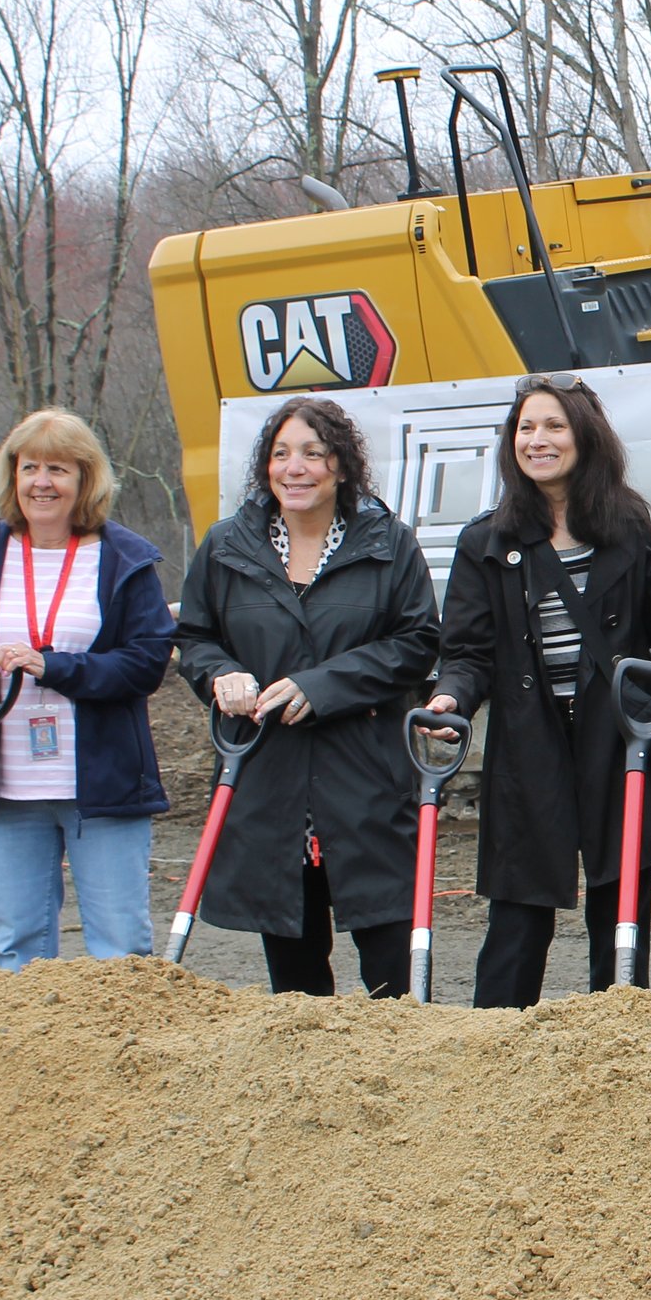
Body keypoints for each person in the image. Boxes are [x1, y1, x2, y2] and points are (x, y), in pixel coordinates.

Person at [427, 373, 651, 1007]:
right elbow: (465, 651)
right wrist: (450, 699)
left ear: (585, 436)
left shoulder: (627, 524)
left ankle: (618, 1043)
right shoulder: (485, 541)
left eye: (554, 426)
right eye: (525, 427)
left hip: (618, 744)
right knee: (517, 922)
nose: (537, 439)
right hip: (527, 748)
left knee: (620, 915)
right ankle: (492, 1049)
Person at [175, 396, 442, 998]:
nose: (294, 468)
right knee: (295, 989)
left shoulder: (388, 543)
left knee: (391, 975)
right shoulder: (226, 546)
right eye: (280, 454)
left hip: (366, 779)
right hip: (270, 785)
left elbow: (418, 642)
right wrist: (220, 674)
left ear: (341, 467)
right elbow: (194, 637)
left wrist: (323, 686)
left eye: (313, 454)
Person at [0, 410, 175, 970]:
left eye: (58, 468)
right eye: (29, 466)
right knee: (17, 945)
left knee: (121, 949)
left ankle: (121, 1053)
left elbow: (145, 664)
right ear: (11, 477)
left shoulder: (123, 558)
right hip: (7, 778)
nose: (42, 482)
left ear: (85, 480)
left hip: (103, 780)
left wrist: (53, 666)